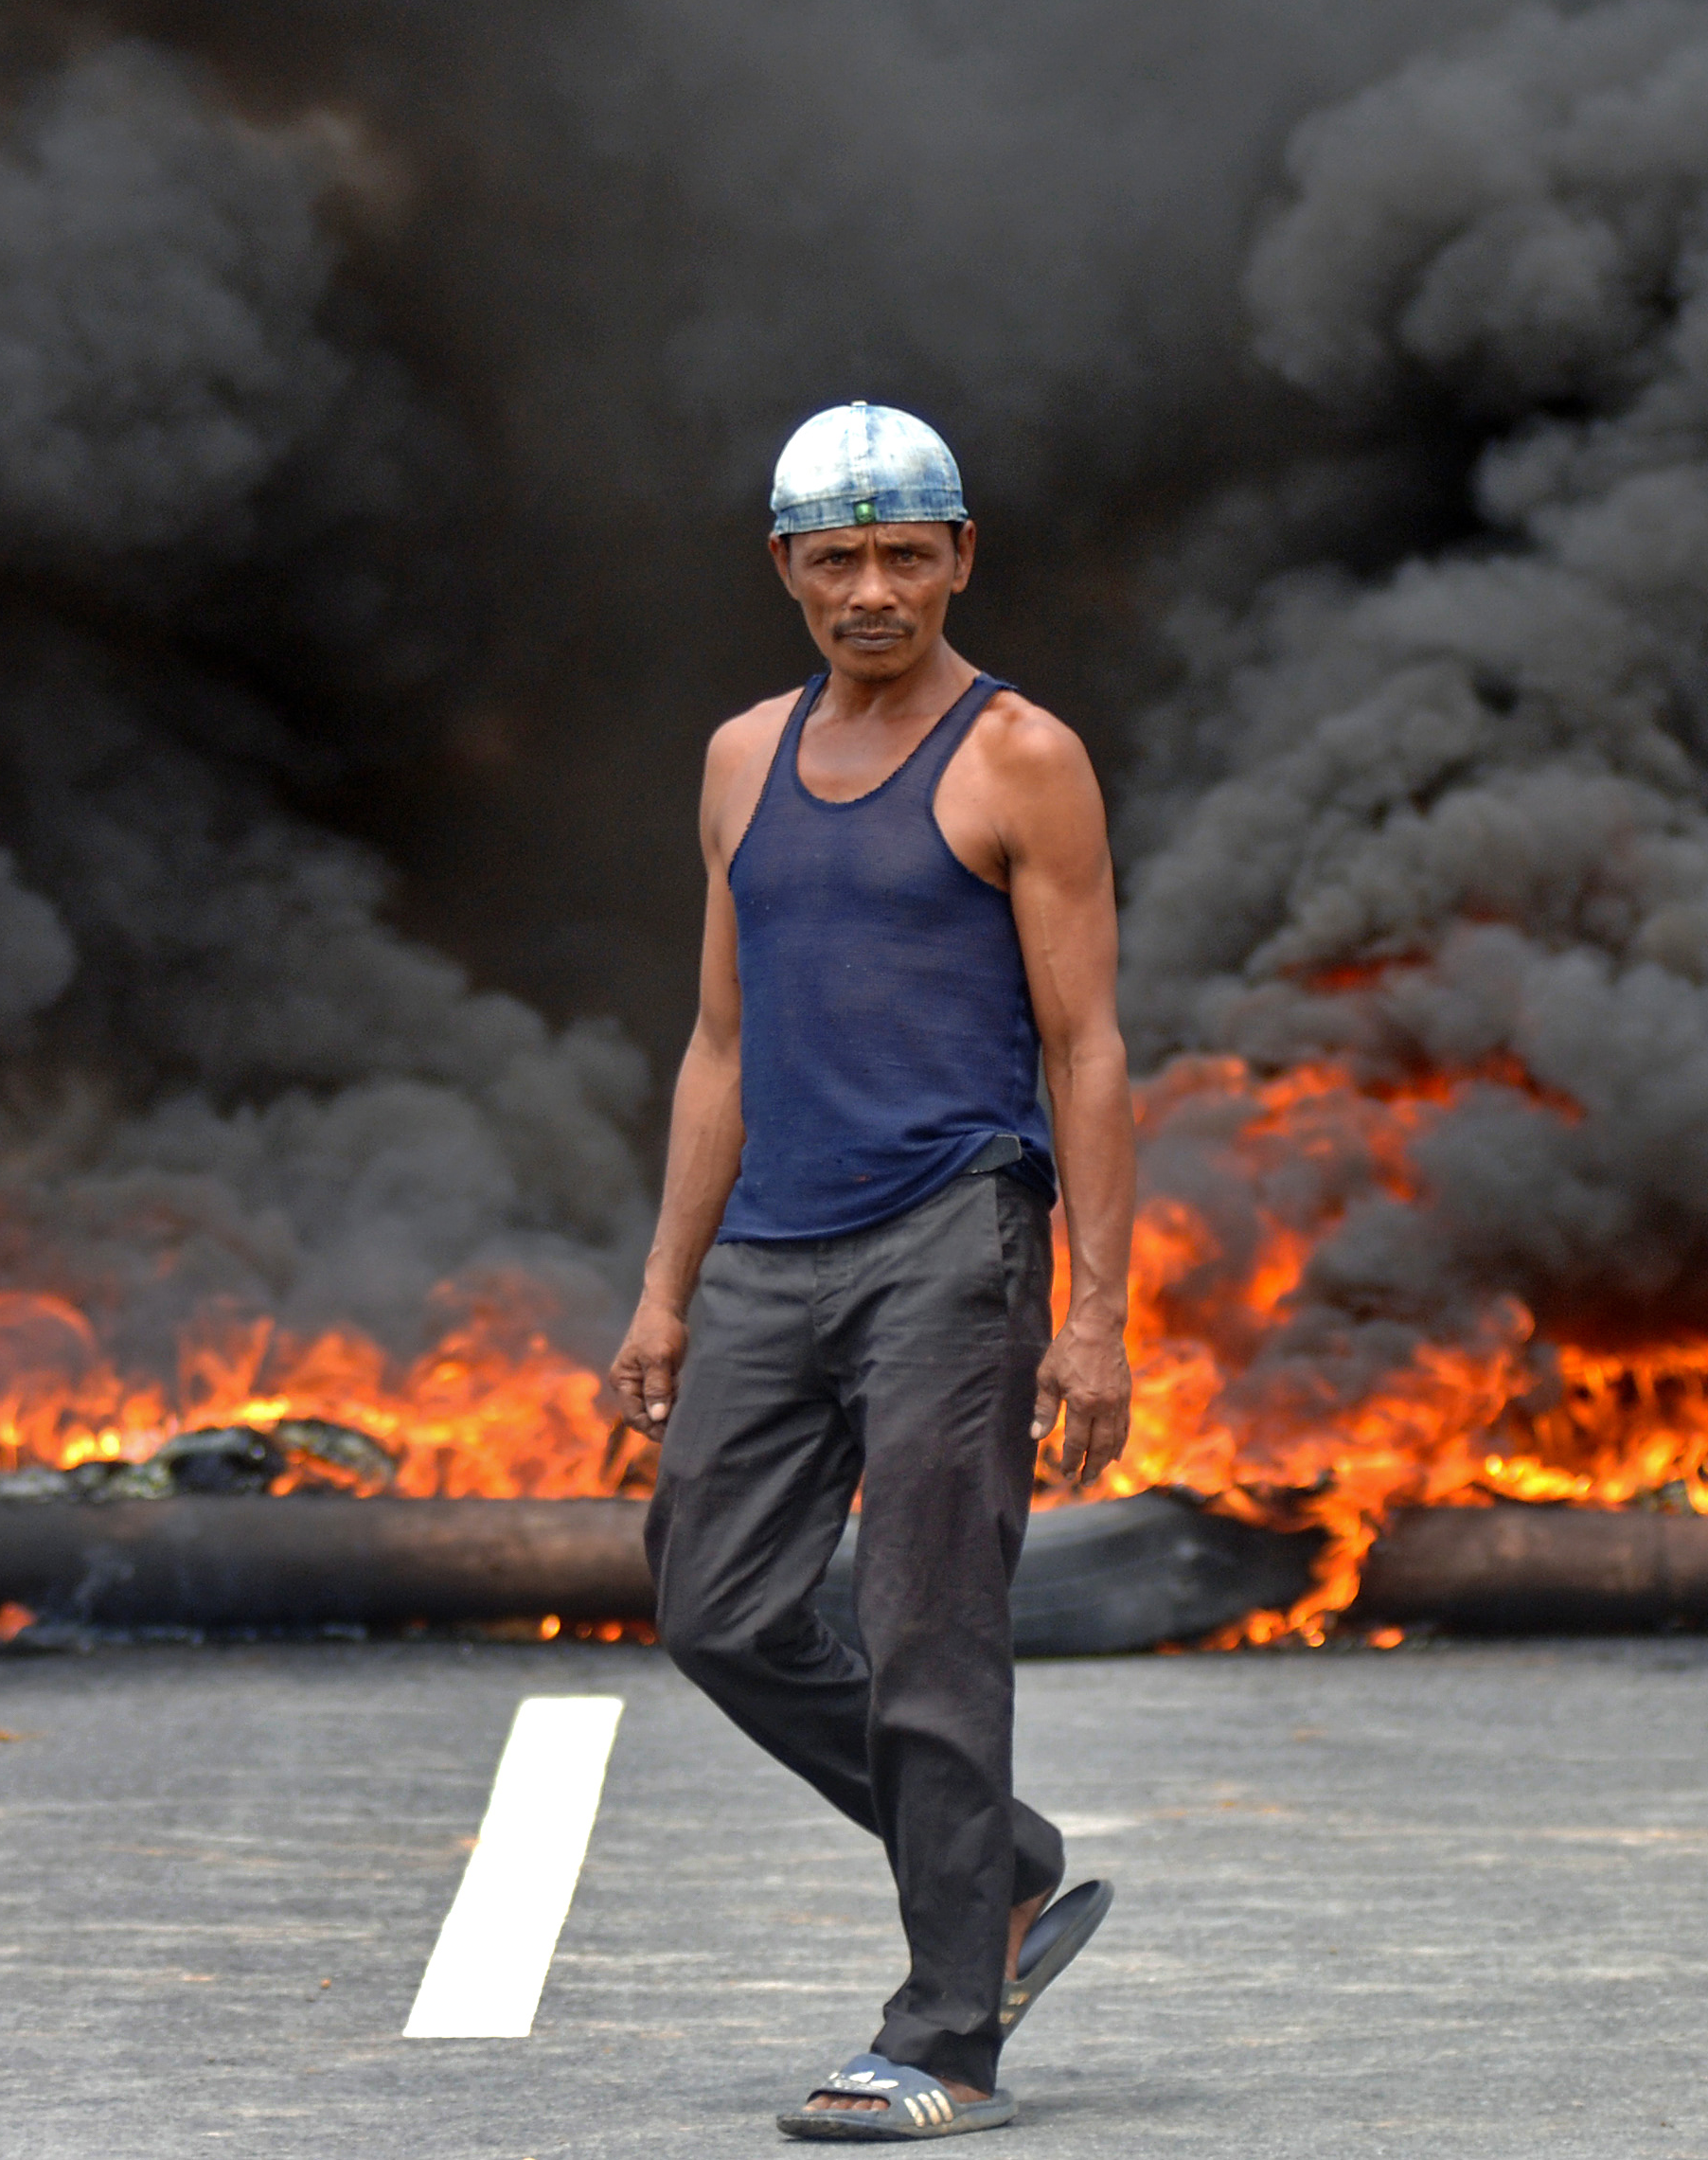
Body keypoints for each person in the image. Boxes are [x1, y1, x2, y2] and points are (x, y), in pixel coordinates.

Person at [608, 402, 1136, 2141]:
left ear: (961, 557)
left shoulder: (1020, 760)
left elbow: (1092, 1049)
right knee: (717, 1602)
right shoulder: (739, 760)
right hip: (772, 1243)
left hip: (952, 1236)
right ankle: (1009, 1871)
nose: (872, 589)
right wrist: (665, 1287)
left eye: (908, 553)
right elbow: (717, 1042)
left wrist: (1099, 1320)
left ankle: (948, 2039)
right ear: (785, 568)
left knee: (928, 1625)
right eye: (835, 557)